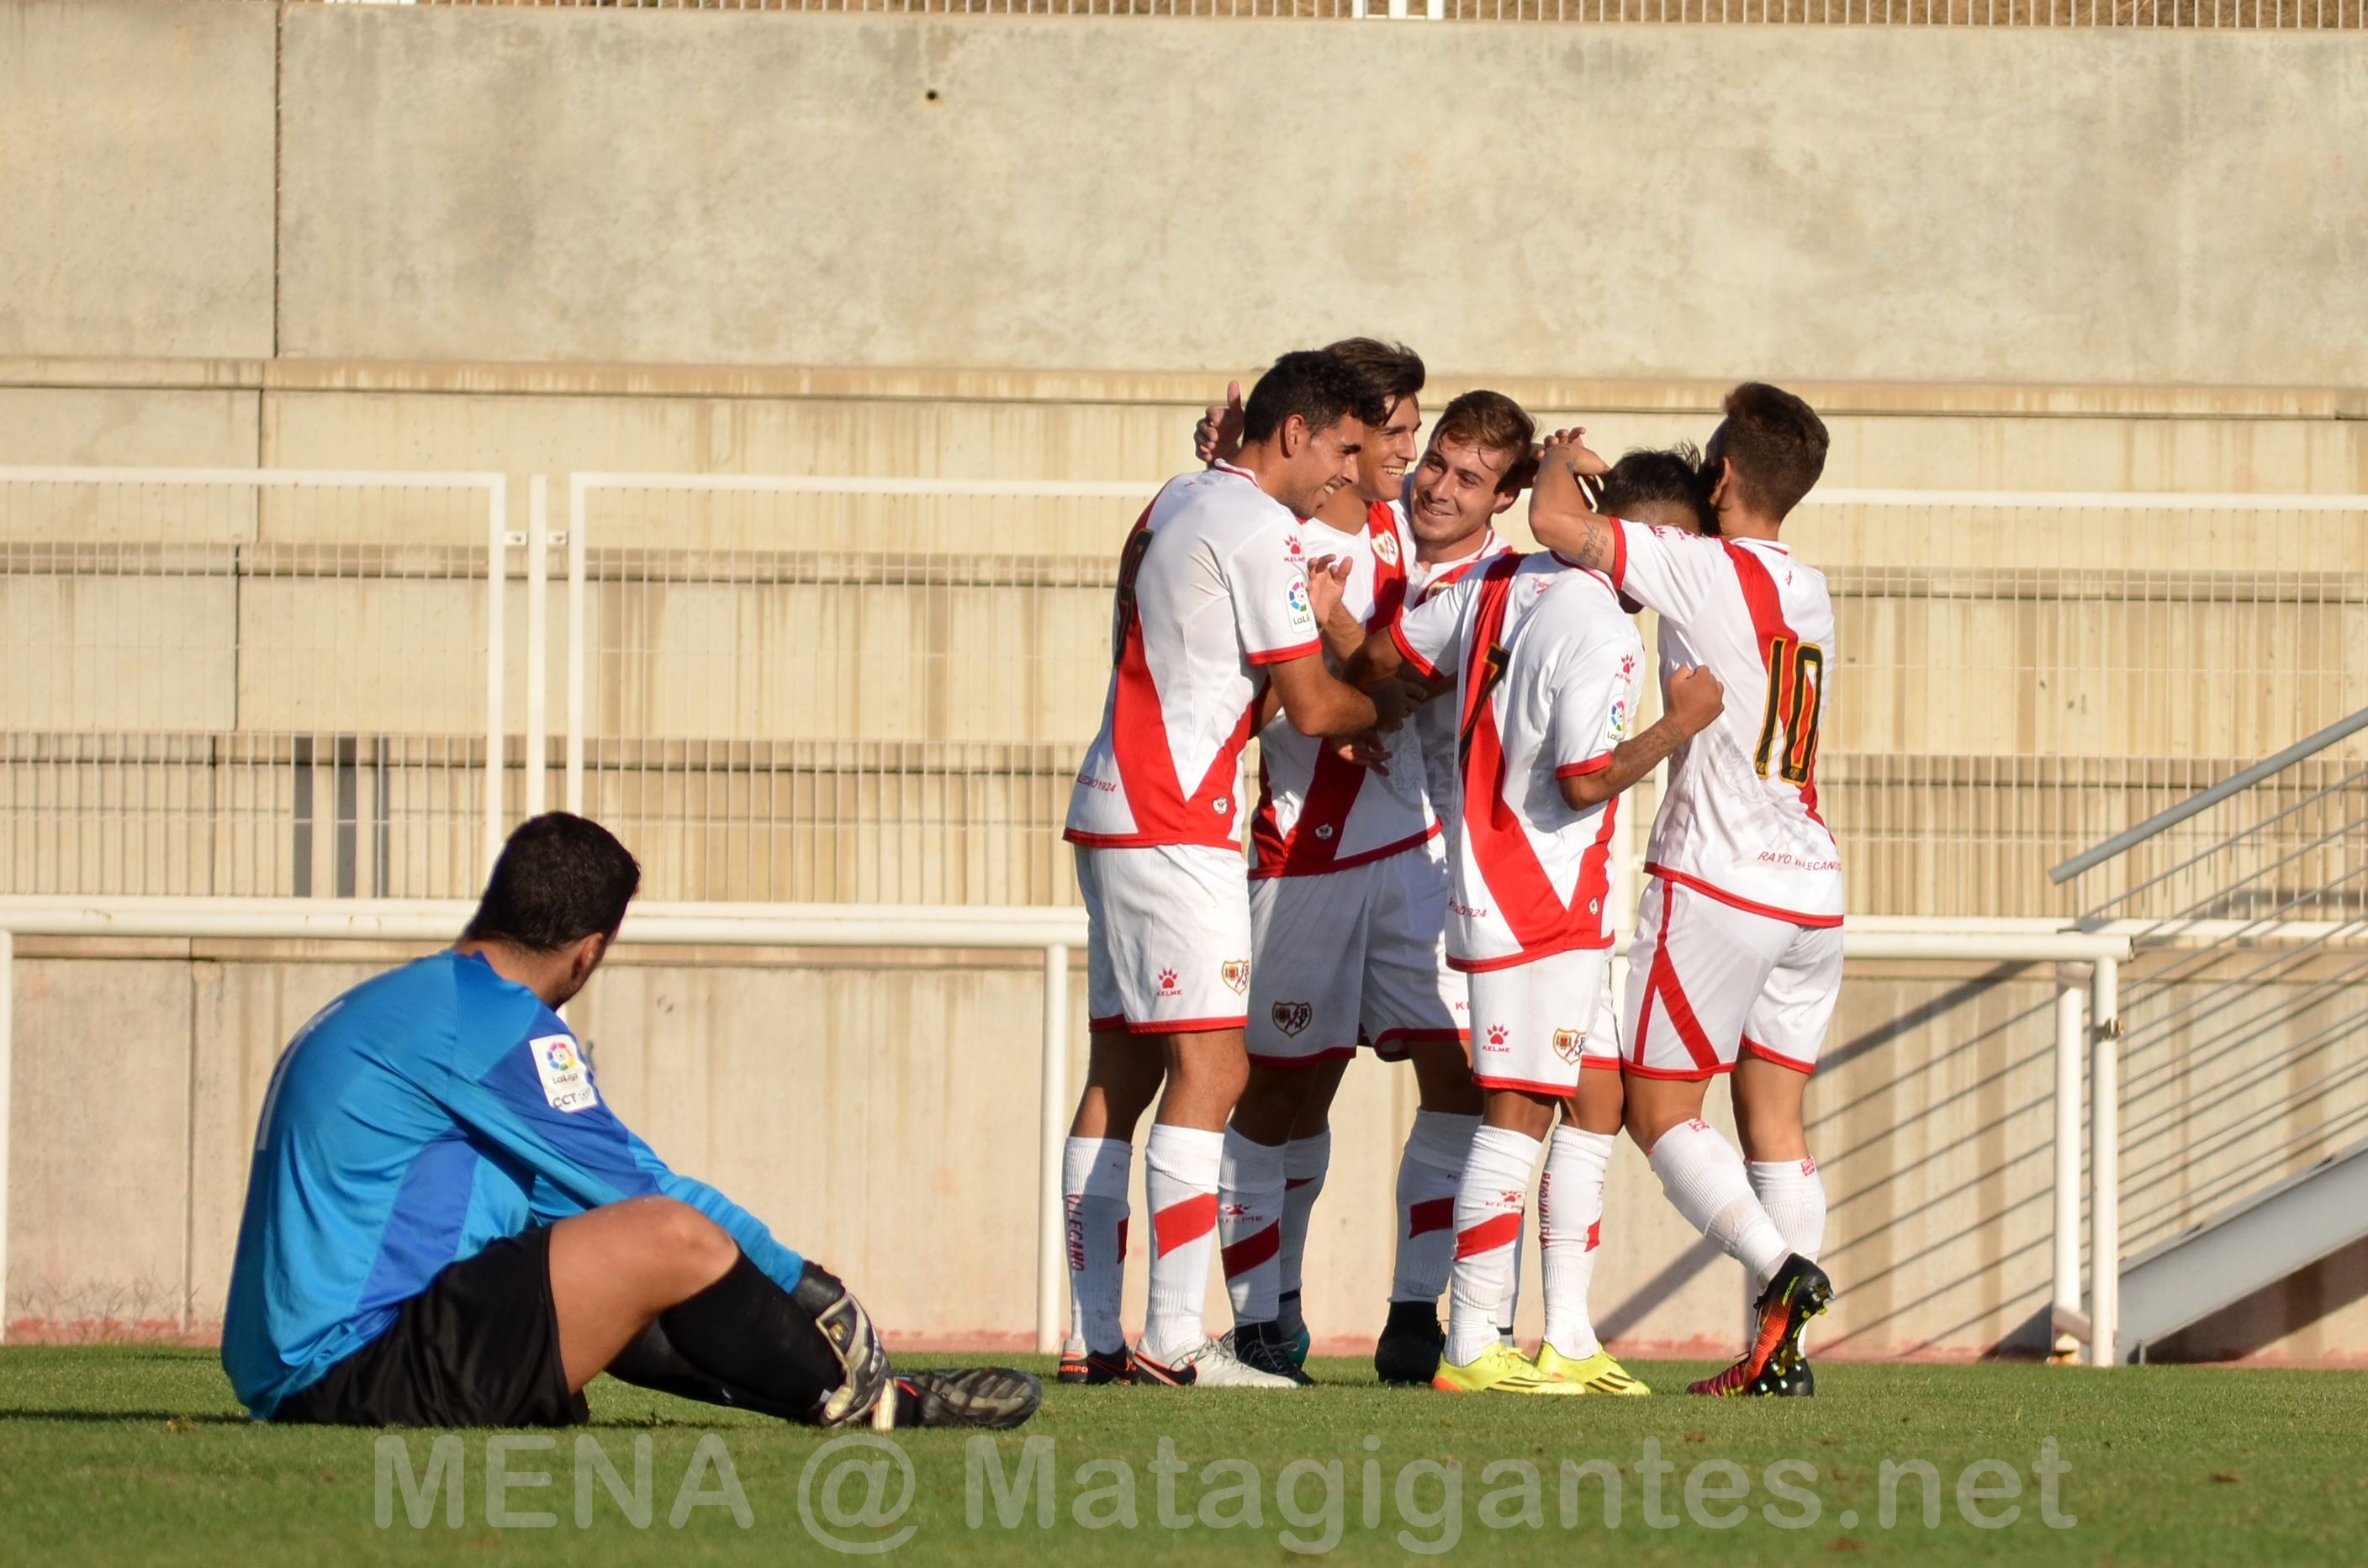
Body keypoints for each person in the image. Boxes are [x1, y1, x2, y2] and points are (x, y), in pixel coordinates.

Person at [223, 812, 1038, 1429]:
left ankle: (862, 1397)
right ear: (587, 951)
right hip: (349, 1371)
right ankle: (864, 1399)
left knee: (613, 1262)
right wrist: (807, 1283)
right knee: (668, 1237)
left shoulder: (409, 1002)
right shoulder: (496, 1024)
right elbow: (649, 1197)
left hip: (305, 1364)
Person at [1058, 349, 1394, 1388]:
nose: (1348, 470)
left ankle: (1092, 1337)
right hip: (1174, 817)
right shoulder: (1258, 526)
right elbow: (1310, 702)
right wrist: (1394, 705)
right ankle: (1168, 1334)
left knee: (1121, 1069)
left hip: (1114, 802)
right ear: (1294, 434)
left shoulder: (1179, 494)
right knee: (1216, 1067)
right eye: (1342, 446)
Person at [1345, 507, 1724, 1393]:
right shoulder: (1600, 626)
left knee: (1595, 1100)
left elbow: (1387, 658)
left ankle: (1567, 1335)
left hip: (1552, 895)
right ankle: (1473, 1342)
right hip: (1530, 896)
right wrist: (1681, 723)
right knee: (1515, 1110)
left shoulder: (1506, 580)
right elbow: (1582, 777)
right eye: (1673, 551)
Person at [1527, 383, 1842, 1397]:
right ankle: (1776, 1358)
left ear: (1724, 479)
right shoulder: (1810, 588)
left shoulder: (1703, 568)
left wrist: (1562, 457)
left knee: (1661, 1112)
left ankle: (1779, 1269)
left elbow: (1554, 524)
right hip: (1812, 887)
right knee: (1775, 1124)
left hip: (1718, 878)